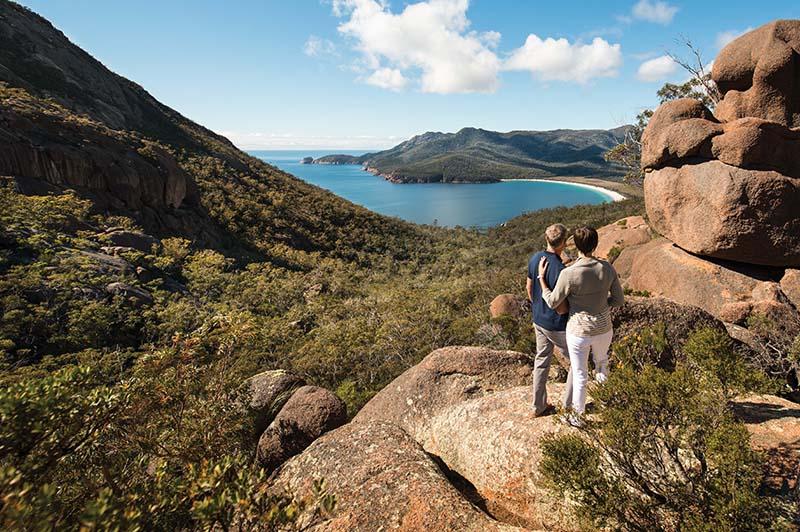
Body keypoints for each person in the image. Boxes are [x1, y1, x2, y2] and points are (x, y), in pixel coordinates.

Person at [537, 226, 624, 419]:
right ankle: (606, 406)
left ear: (575, 245)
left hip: (579, 330)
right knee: (602, 364)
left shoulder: (569, 273)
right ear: (595, 244)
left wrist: (542, 280)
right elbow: (618, 300)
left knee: (579, 373)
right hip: (603, 328)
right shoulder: (607, 268)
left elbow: (552, 302)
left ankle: (577, 417)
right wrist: (601, 304)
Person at [526, 223, 572, 417]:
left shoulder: (536, 258)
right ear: (563, 243)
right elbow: (561, 308)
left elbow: (529, 289)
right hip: (556, 325)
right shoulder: (561, 270)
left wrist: (538, 307)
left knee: (542, 361)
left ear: (547, 239)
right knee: (576, 364)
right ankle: (569, 408)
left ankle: (538, 406)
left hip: (538, 320)